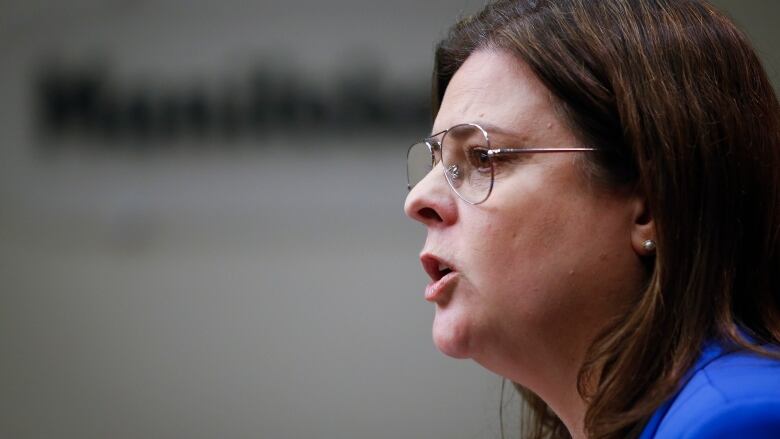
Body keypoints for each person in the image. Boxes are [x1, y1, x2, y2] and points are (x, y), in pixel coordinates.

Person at [403, 0, 780, 438]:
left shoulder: (738, 421)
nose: (419, 199)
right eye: (436, 164)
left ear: (650, 205)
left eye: (482, 157)